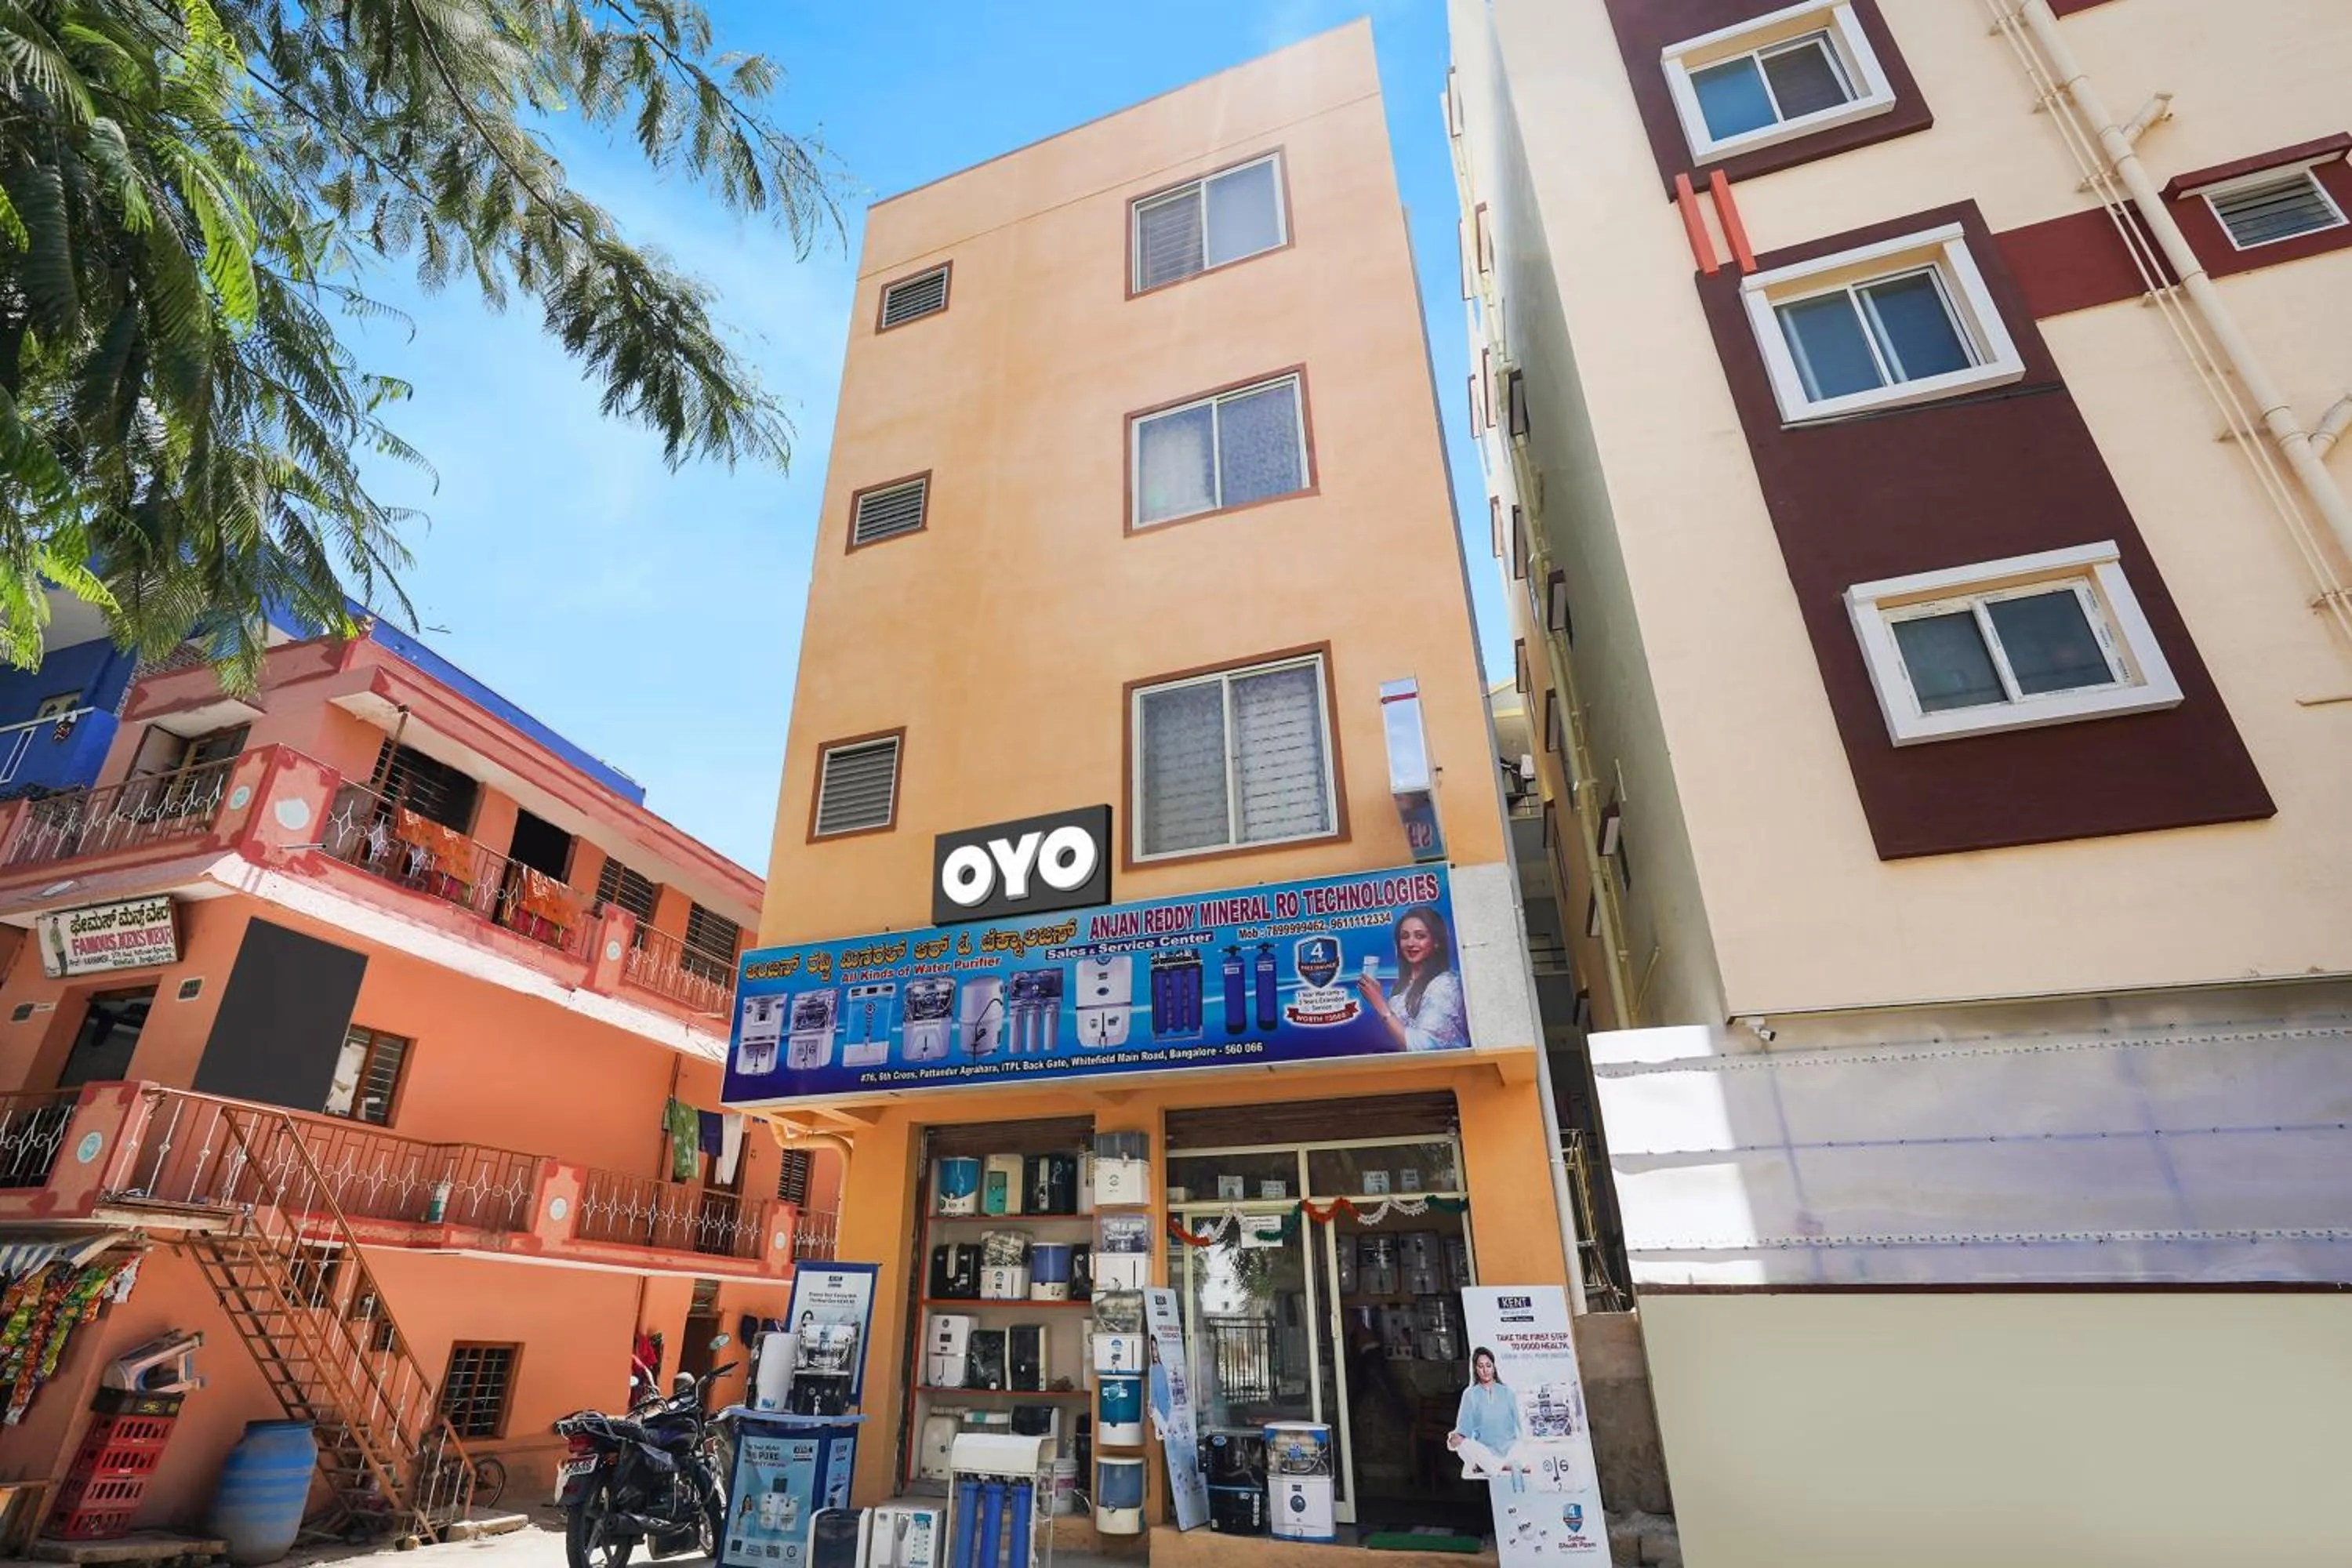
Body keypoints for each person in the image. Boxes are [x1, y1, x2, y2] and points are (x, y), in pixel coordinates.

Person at [1356, 905, 1469, 1052]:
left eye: (1420, 936)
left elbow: (1424, 1046)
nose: (1410, 943)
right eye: (1405, 937)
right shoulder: (1403, 985)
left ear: (1436, 942)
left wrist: (1379, 1003)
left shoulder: (1446, 984)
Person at [1448, 1346, 1523, 1484]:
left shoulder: (1508, 1393)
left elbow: (1522, 1424)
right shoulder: (1470, 1395)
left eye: (1488, 1365)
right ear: (1475, 1369)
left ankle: (1493, 1467)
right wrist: (1455, 1439)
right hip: (1484, 1451)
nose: (1485, 1370)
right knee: (1464, 1445)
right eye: (1481, 1366)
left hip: (1509, 1449)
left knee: (1523, 1449)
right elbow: (1464, 1430)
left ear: (1494, 1367)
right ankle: (1498, 1467)